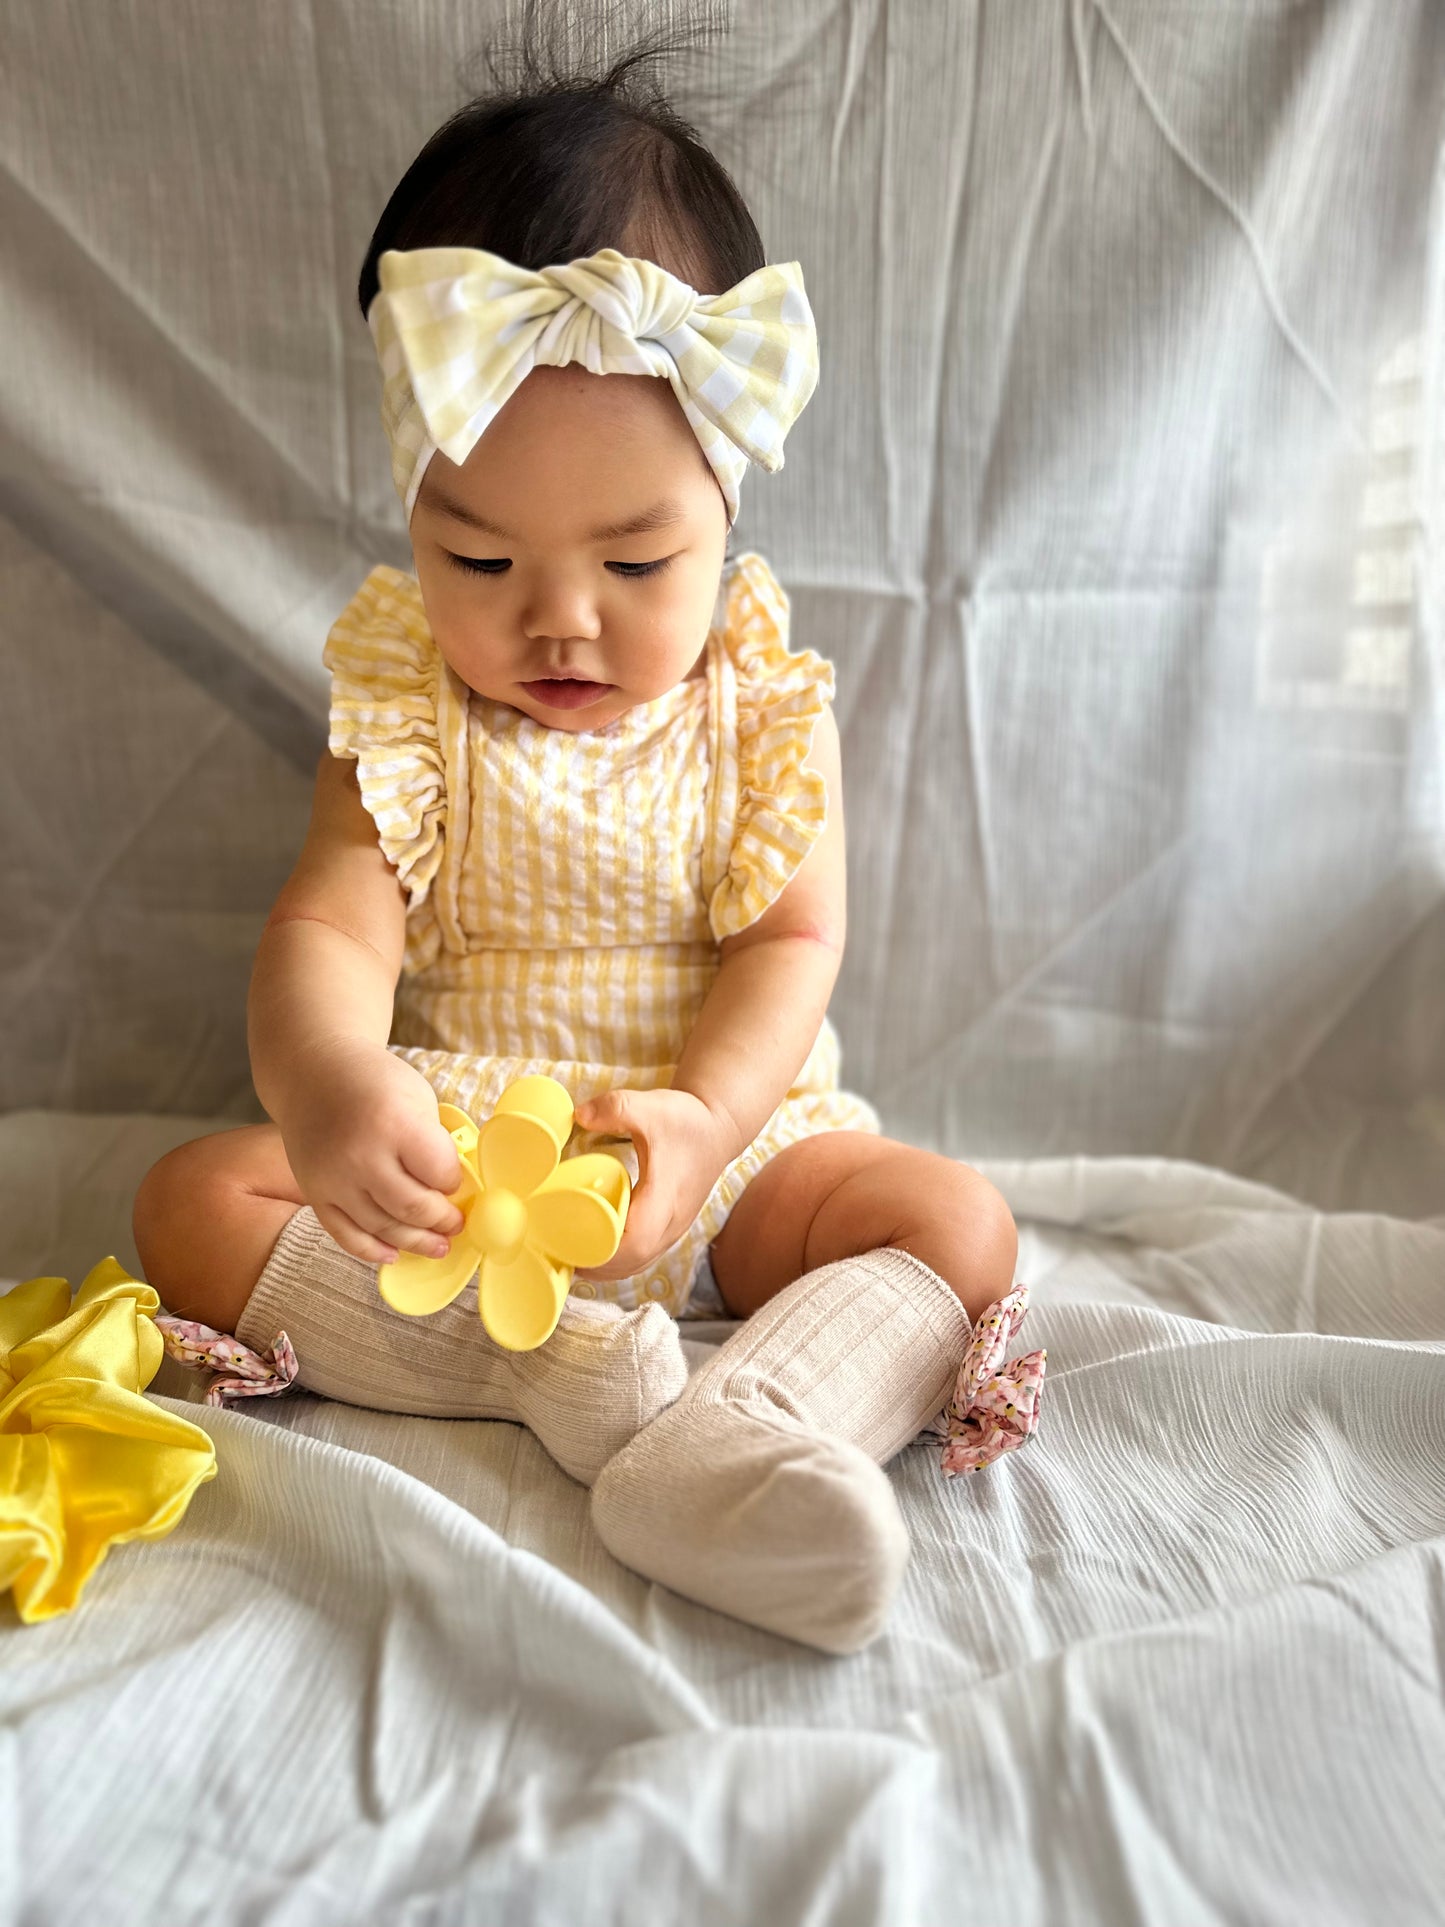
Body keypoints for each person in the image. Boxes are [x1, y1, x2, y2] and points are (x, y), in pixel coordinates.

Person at [133, 36, 1043, 1655]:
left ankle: (755, 1430)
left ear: (726, 501)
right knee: (194, 1199)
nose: (558, 619)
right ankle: (542, 1374)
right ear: (414, 507)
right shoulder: (410, 700)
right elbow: (333, 933)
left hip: (721, 1139)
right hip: (470, 1154)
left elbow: (788, 944)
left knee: (958, 1232)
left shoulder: (759, 699)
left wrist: (704, 1117)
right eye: (478, 557)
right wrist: (336, 1089)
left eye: (635, 560)